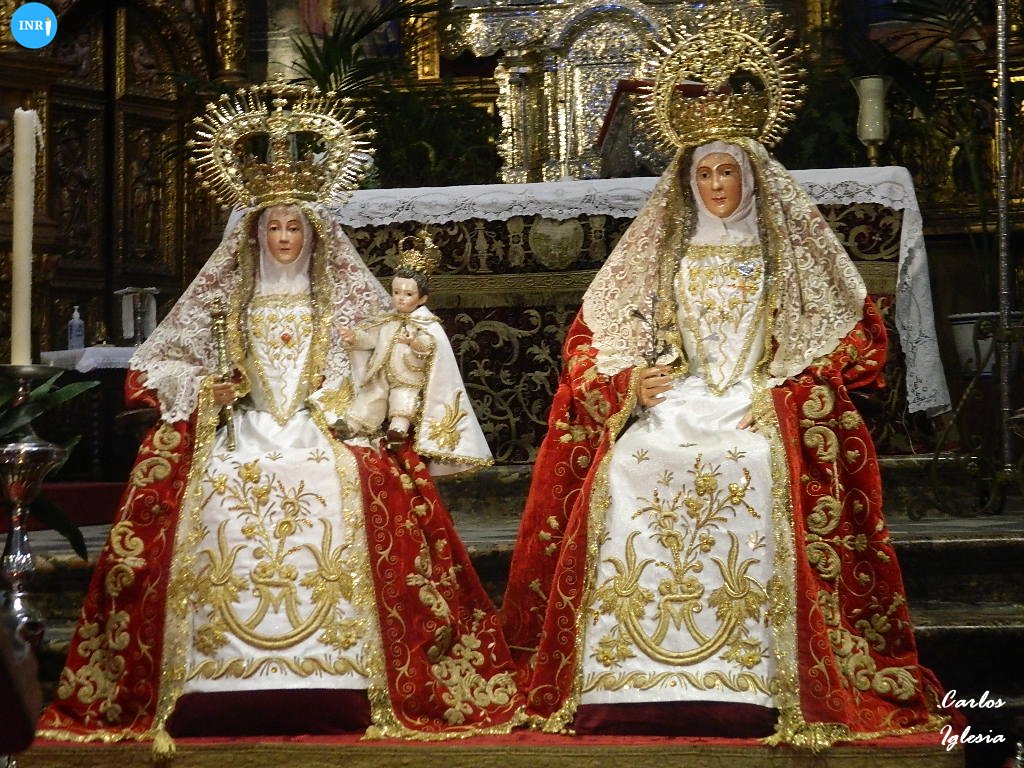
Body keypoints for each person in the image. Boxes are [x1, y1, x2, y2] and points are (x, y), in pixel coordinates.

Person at [500, 15, 954, 748]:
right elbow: (595, 338)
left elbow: (852, 340)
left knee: (754, 461)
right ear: (688, 180)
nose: (715, 185)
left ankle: (756, 675)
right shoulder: (663, 251)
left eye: (727, 172)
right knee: (632, 460)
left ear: (751, 177)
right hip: (681, 399)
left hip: (753, 398)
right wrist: (631, 385)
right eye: (704, 173)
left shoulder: (787, 251)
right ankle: (628, 676)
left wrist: (782, 396)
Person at [36, 82, 521, 751]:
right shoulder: (227, 296)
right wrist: (207, 388)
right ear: (255, 232)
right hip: (244, 425)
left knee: (342, 480)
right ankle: (209, 679)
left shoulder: (341, 298)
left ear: (314, 233)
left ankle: (346, 676)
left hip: (324, 426)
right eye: (274, 227)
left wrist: (349, 391)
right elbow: (158, 363)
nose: (285, 237)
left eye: (295, 226)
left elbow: (388, 356)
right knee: (218, 485)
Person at [336, 232, 490, 467]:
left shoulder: (425, 324)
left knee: (403, 400)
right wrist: (354, 338)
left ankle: (398, 430)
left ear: (422, 298)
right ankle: (352, 425)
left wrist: (413, 343)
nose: (400, 299)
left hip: (408, 375)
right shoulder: (387, 320)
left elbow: (430, 347)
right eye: (396, 292)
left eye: (408, 294)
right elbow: (371, 339)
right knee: (372, 396)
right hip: (381, 370)